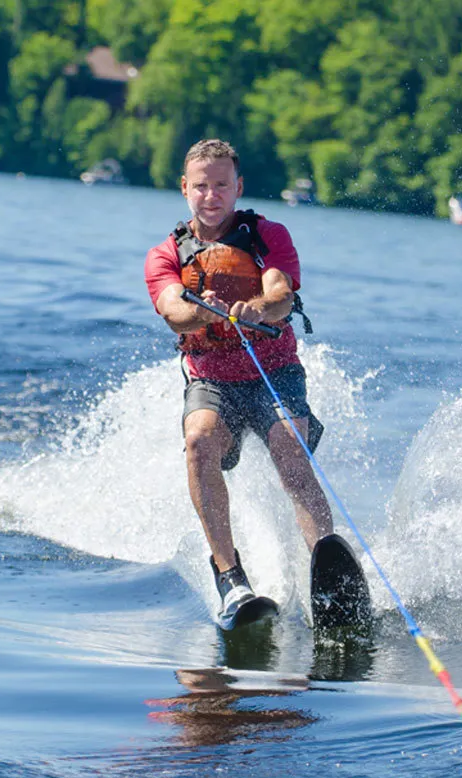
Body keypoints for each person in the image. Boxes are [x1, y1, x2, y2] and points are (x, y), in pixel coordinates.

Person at [144, 138, 333, 623]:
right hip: (212, 380)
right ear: (185, 189)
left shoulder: (269, 234)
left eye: (222, 186)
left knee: (289, 446)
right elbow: (173, 311)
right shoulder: (165, 255)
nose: (212, 196)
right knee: (198, 441)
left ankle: (328, 570)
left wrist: (259, 308)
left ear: (238, 187)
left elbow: (281, 294)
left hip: (274, 373)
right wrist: (203, 311)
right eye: (202, 187)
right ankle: (230, 578)